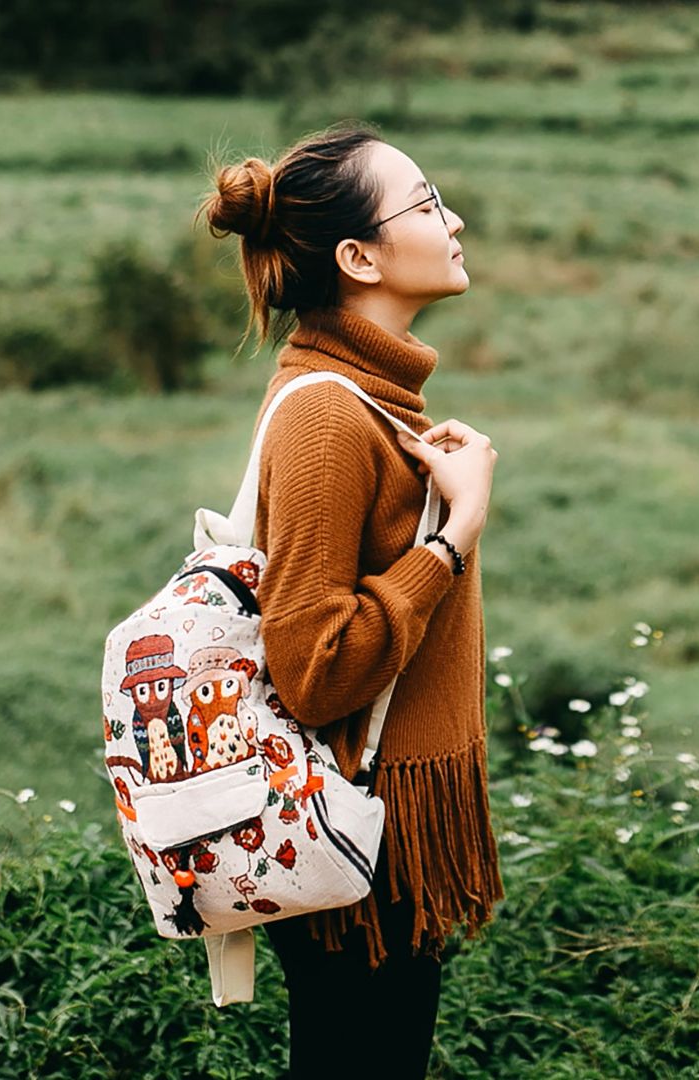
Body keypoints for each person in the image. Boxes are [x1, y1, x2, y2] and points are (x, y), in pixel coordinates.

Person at [197, 122, 503, 1077]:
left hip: (380, 819)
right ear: (358, 254)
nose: (453, 222)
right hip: (353, 818)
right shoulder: (328, 413)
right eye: (425, 204)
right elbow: (315, 666)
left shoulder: (371, 397)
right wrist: (455, 534)